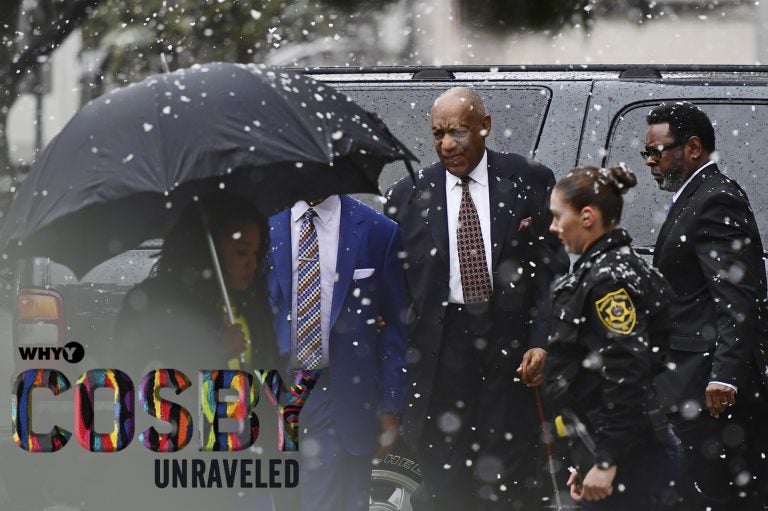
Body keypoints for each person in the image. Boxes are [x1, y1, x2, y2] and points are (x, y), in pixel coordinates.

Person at [385, 86, 568, 510]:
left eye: (458, 133)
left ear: (484, 126)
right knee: (444, 475)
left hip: (510, 345)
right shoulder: (407, 195)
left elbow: (552, 272)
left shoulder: (529, 179)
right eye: (437, 134)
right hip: (441, 348)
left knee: (510, 473)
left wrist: (541, 339)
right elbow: (394, 289)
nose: (447, 145)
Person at [643, 101, 768, 510]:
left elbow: (737, 295)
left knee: (711, 495)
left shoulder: (715, 199)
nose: (649, 162)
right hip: (687, 383)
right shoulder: (697, 196)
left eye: (656, 151)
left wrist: (725, 377)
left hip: (706, 391)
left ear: (692, 148)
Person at [542, 164, 680, 510]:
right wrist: (589, 459)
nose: (553, 227)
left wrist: (606, 462)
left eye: (559, 217)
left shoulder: (609, 281)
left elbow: (626, 372)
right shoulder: (609, 267)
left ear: (587, 217)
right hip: (614, 445)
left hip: (633, 456)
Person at [267, 194, 409, 511]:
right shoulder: (265, 227)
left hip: (342, 391)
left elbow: (396, 329)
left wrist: (391, 405)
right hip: (275, 391)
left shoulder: (378, 231)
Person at [115, 192, 277, 375]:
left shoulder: (252, 305)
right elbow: (132, 375)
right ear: (207, 250)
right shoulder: (155, 303)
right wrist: (214, 351)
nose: (252, 265)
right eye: (241, 252)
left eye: (256, 253)